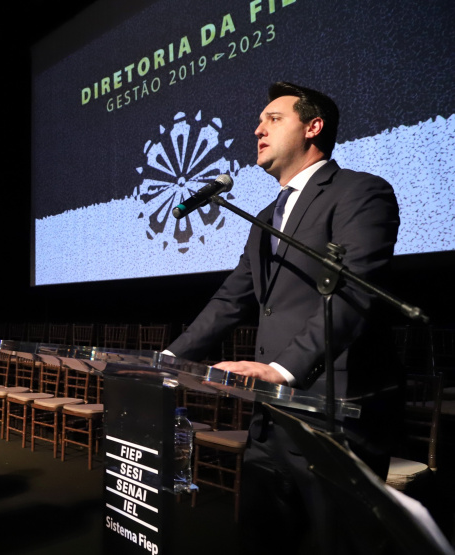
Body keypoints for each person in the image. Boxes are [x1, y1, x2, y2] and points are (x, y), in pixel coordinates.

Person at [166, 82, 401, 554]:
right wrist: (169, 359)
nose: (257, 129)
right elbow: (232, 299)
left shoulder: (360, 192)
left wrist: (281, 370)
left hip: (333, 419)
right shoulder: (265, 217)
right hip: (270, 420)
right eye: (260, 120)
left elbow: (355, 291)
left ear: (313, 127)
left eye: (273, 119)